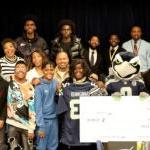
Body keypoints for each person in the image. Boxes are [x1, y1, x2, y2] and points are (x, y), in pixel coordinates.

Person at [57, 59, 107, 150]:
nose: (78, 71)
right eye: (75, 69)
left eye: (80, 68)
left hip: (87, 129)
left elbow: (102, 105)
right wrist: (58, 91)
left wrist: (102, 89)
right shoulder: (65, 84)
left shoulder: (92, 84)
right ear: (72, 70)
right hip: (71, 129)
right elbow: (59, 103)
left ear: (85, 69)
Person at [6, 60, 35, 150]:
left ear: (27, 70)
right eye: (18, 68)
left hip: (27, 126)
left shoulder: (31, 86)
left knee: (28, 148)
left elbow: (32, 109)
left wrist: (31, 128)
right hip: (12, 124)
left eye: (23, 67)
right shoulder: (9, 83)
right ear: (14, 70)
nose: (20, 70)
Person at [35, 61, 58, 150]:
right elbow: (38, 108)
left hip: (54, 120)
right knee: (41, 147)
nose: (49, 72)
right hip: (43, 121)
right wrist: (41, 126)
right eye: (46, 70)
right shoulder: (39, 85)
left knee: (53, 146)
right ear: (42, 71)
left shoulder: (57, 83)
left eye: (51, 70)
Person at [0, 67, 8, 150]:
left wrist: (2, 118)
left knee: (1, 144)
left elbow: (6, 102)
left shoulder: (5, 84)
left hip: (0, 120)